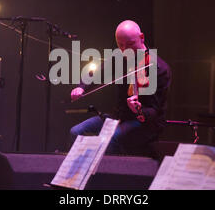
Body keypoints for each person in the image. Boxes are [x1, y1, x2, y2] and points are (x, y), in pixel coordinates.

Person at [70, 20, 171, 155]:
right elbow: (96, 72)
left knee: (111, 138)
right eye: (120, 45)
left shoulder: (159, 69)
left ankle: (108, 173)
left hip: (144, 123)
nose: (125, 50)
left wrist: (139, 110)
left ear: (142, 38)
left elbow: (155, 111)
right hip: (118, 117)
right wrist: (81, 87)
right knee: (76, 131)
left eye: (130, 44)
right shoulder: (120, 58)